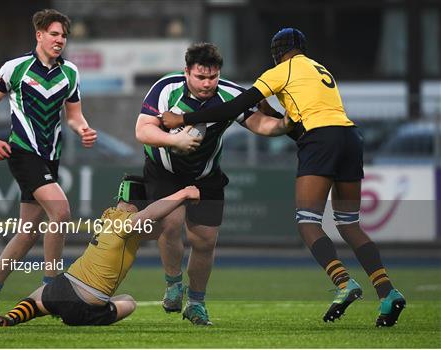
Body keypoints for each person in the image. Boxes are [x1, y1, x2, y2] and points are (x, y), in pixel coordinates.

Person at [162, 28, 406, 327]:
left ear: (278, 52)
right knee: (349, 224)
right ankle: (388, 292)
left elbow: (233, 107)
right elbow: (298, 121)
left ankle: (343, 284)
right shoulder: (319, 68)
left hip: (321, 140)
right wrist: (272, 110)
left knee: (307, 222)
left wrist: (182, 119)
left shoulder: (280, 71)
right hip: (351, 137)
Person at [135, 42, 291, 325]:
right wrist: (174, 140)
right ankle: (173, 283)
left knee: (204, 241)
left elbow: (259, 124)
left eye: (213, 77)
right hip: (164, 171)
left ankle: (196, 303)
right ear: (187, 72)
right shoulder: (165, 89)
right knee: (170, 224)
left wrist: (284, 125)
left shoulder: (231, 94)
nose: (207, 83)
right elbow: (142, 130)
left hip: (206, 174)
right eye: (200, 77)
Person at [0, 9, 98, 315]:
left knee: (28, 231)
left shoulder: (70, 73)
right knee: (61, 210)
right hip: (23, 152)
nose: (60, 40)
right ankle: (52, 286)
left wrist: (83, 128)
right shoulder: (15, 68)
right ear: (39, 35)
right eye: (54, 34)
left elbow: (74, 115)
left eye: (64, 36)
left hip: (50, 157)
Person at [0, 176, 200, 327]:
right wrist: (183, 194)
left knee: (38, 302)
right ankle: (73, 314)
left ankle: (10, 318)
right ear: (139, 204)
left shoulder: (108, 218)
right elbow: (150, 216)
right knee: (128, 301)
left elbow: (155, 227)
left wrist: (172, 211)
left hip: (62, 286)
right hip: (88, 302)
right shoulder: (126, 223)